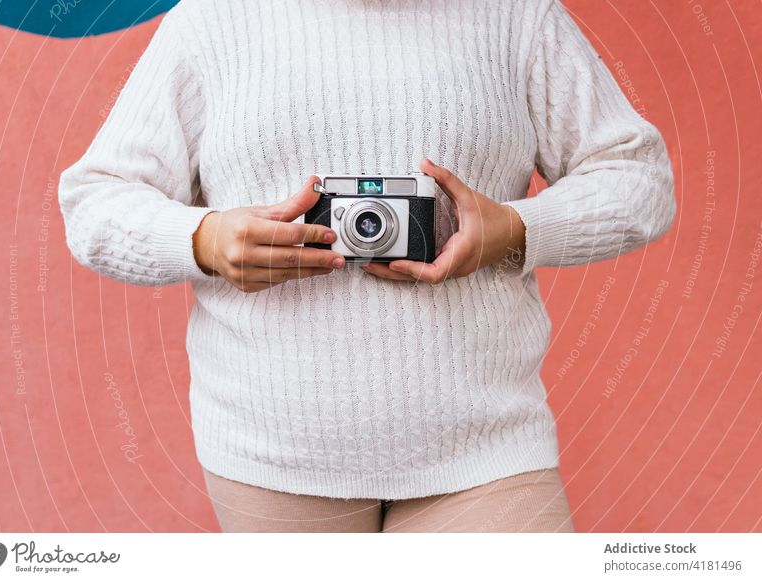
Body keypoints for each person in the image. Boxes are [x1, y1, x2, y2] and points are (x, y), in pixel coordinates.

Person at [58, 0, 675, 532]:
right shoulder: (213, 20)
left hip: (485, 440)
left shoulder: (516, 14)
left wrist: (515, 231)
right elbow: (95, 201)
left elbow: (640, 178)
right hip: (271, 453)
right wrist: (203, 240)